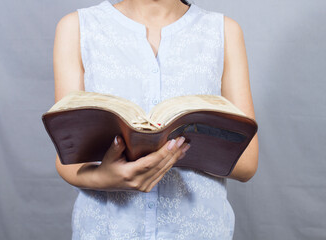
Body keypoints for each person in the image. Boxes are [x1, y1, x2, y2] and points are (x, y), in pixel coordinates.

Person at [53, 0, 259, 239]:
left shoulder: (223, 31)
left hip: (198, 230)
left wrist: (180, 146)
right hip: (108, 231)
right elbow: (67, 159)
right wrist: (105, 178)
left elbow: (247, 162)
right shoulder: (77, 27)